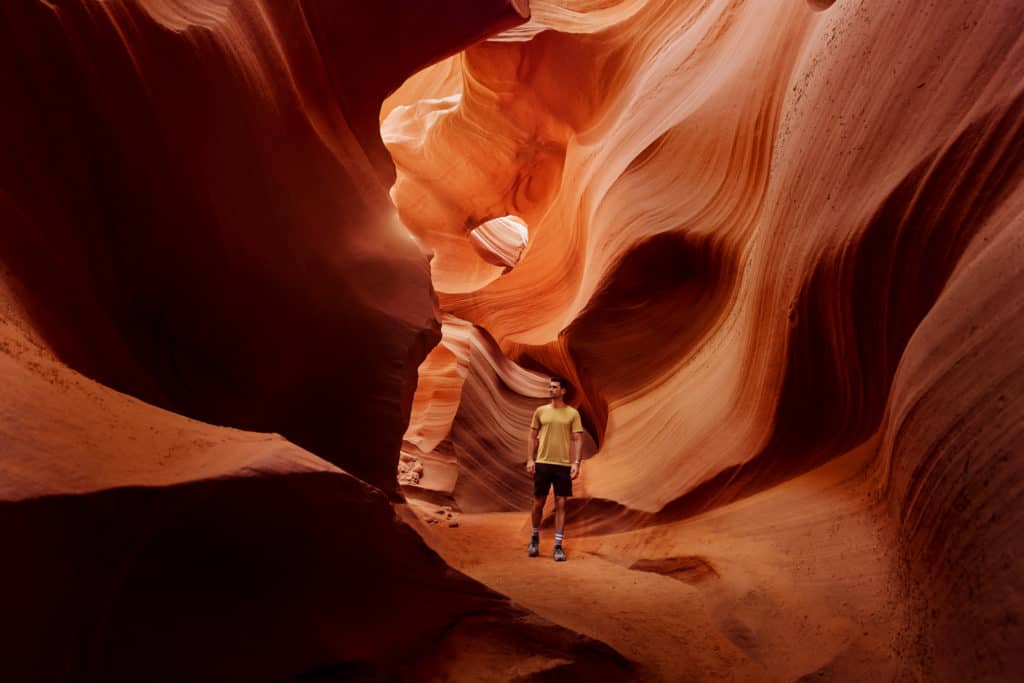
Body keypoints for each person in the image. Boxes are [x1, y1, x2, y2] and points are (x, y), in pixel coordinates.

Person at [526, 377, 583, 561]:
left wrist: (576, 463)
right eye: (549, 387)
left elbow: (577, 438)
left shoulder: (572, 413)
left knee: (561, 504)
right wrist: (530, 459)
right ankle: (534, 538)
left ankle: (558, 546)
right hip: (543, 462)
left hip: (563, 465)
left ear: (563, 391)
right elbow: (532, 436)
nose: (550, 389)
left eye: (554, 387)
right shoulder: (540, 411)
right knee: (538, 502)